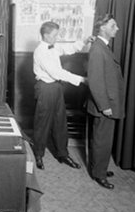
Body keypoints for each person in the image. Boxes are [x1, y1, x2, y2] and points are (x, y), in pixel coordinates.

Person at [33, 21, 93, 170]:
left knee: (60, 122)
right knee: (43, 123)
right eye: (54, 35)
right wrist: (82, 80)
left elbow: (69, 48)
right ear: (46, 35)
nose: (57, 38)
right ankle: (39, 154)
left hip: (56, 87)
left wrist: (85, 41)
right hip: (45, 89)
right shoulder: (40, 51)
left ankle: (63, 154)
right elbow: (56, 73)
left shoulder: (53, 46)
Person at [86, 13, 125, 190]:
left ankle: (99, 168)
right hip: (105, 105)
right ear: (102, 27)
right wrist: (105, 106)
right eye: (113, 25)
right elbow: (95, 81)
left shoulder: (102, 46)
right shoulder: (98, 49)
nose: (116, 28)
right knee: (102, 140)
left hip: (107, 103)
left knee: (103, 139)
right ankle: (99, 174)